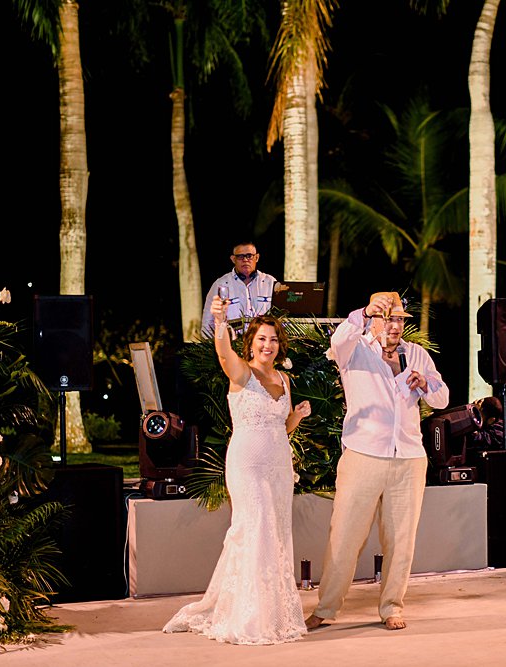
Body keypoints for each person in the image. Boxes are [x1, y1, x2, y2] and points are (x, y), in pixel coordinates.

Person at [163, 300, 311, 645]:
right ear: (251, 342)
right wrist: (219, 320)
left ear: (280, 345)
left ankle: (273, 614)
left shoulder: (285, 379)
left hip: (278, 463)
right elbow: (222, 352)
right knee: (256, 528)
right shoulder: (242, 372)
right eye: (261, 339)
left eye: (273, 340)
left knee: (274, 535)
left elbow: (282, 427)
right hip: (246, 463)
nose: (267, 345)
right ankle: (248, 617)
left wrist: (297, 417)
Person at [305, 291, 449, 632]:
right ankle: (326, 608)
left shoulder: (416, 354)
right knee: (345, 537)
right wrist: (364, 310)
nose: (395, 325)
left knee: (401, 540)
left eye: (399, 319)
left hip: (409, 457)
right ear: (372, 320)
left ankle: (392, 607)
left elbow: (442, 397)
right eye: (388, 318)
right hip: (363, 455)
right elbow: (339, 337)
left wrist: (425, 382)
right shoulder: (354, 349)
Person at [200, 241, 277, 336]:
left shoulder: (270, 282)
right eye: (240, 256)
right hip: (232, 344)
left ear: (257, 257)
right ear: (233, 259)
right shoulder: (221, 284)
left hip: (263, 344)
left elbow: (281, 317)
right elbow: (208, 323)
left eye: (249, 256)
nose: (245, 260)